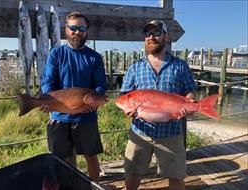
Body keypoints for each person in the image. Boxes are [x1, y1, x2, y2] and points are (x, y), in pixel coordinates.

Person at [120, 20, 197, 190]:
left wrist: (190, 103)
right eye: (147, 34)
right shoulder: (135, 68)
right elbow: (124, 95)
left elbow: (190, 91)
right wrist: (128, 109)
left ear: (165, 36)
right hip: (140, 131)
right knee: (132, 173)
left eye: (156, 33)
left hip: (171, 132)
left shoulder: (180, 65)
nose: (151, 37)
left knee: (176, 176)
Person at [40, 11, 107, 182]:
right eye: (73, 27)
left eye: (81, 28)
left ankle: (95, 185)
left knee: (91, 156)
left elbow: (100, 85)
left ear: (87, 31)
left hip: (86, 116)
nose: (77, 31)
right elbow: (48, 80)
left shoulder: (95, 57)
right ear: (66, 30)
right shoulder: (56, 54)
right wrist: (47, 99)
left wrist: (95, 99)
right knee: (61, 160)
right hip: (59, 117)